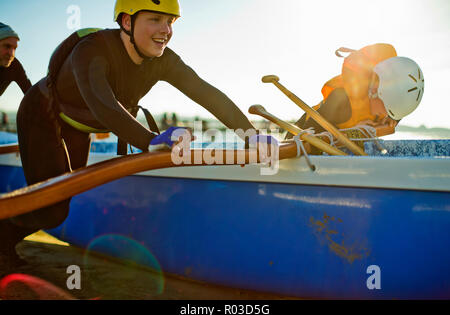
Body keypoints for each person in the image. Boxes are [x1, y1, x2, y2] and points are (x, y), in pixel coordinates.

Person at [0, 0, 274, 268]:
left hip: (81, 125)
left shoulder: (164, 60)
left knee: (59, 205)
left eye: (170, 21)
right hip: (41, 114)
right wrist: (149, 140)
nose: (165, 30)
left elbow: (205, 92)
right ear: (127, 21)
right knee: (52, 209)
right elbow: (102, 102)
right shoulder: (91, 50)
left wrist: (250, 134)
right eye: (155, 19)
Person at [286, 44, 424, 140]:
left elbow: (392, 113)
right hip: (301, 132)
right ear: (375, 91)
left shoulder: (396, 103)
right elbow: (308, 135)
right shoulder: (341, 99)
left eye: (390, 114)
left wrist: (390, 120)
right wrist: (353, 132)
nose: (384, 116)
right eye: (384, 111)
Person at [0, 23, 32, 99]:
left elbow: (31, 94)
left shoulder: (14, 66)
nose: (11, 53)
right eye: (7, 46)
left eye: (14, 48)